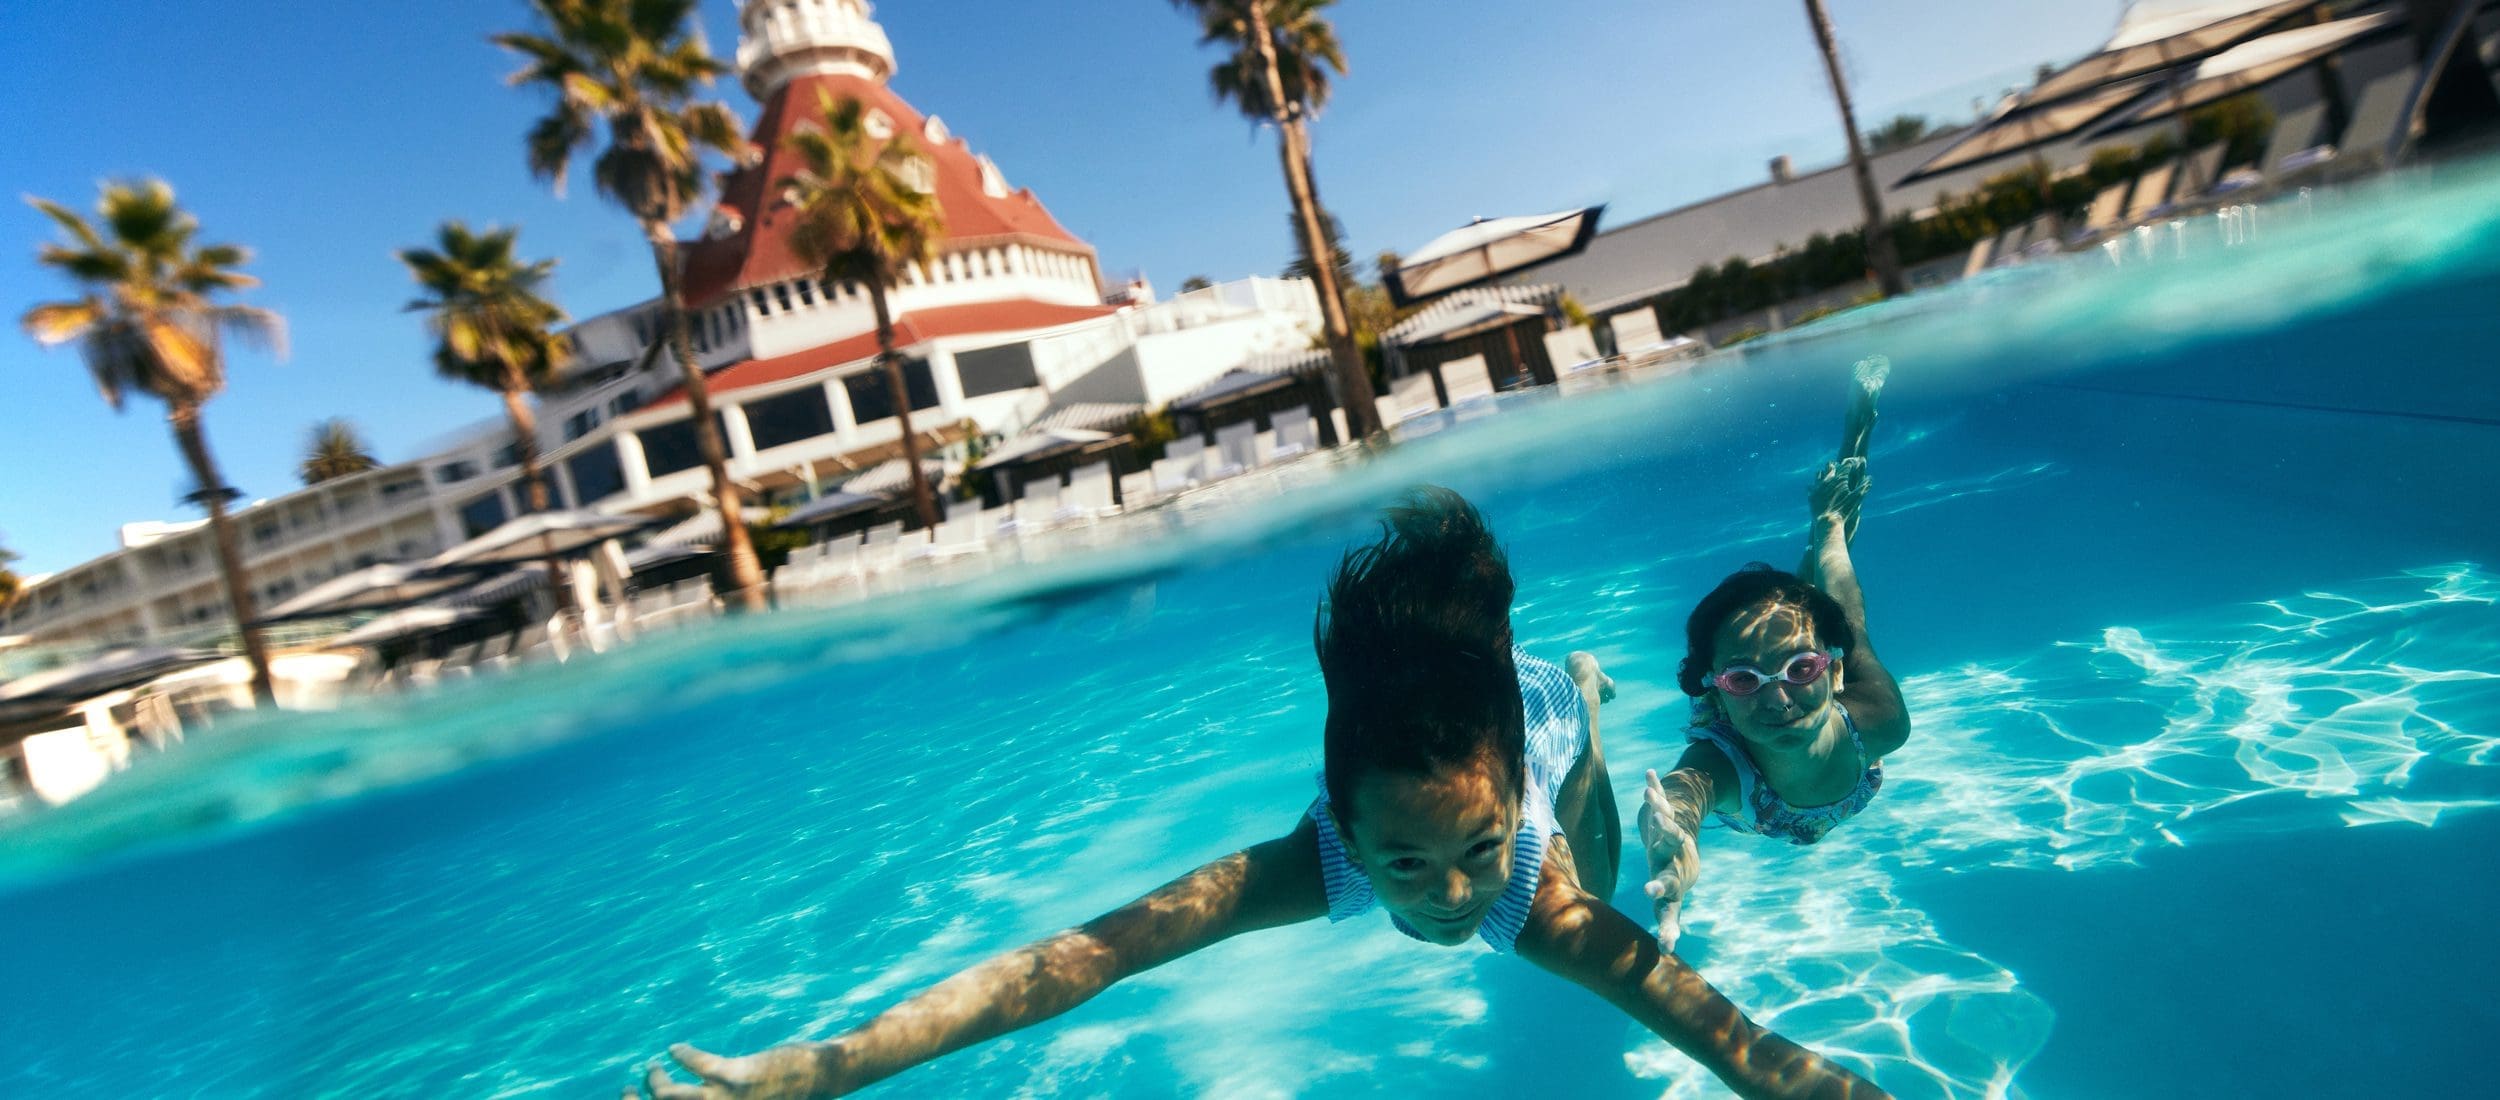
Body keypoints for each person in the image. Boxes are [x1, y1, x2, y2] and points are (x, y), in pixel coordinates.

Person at [629, 488, 1888, 1099]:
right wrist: (829, 1066)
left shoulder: (1526, 884)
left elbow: (1749, 1052)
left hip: (1542, 739)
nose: (1453, 899)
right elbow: (1083, 958)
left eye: (1473, 850)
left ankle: (1586, 709)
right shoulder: (1320, 853)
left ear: (1502, 810)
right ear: (1341, 827)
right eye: (1404, 863)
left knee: (1596, 879)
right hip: (1461, 742)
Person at [1639, 362, 1912, 949]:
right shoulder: (1726, 763)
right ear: (1715, 689)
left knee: (1836, 613)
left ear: (1833, 672)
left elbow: (1848, 624)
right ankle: (1825, 531)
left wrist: (1832, 535)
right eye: (1743, 678)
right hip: (1752, 718)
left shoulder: (1881, 722)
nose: (1777, 697)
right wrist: (1671, 837)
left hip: (1828, 665)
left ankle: (1832, 516)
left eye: (1801, 671)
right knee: (1811, 611)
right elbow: (1685, 793)